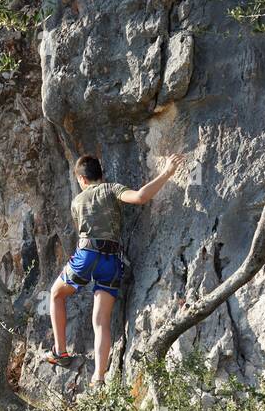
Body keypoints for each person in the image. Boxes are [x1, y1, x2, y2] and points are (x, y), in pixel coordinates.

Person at [47, 152, 186, 384]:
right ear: (100, 175)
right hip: (112, 260)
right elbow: (141, 196)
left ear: (82, 179)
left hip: (87, 254)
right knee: (101, 320)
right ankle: (99, 378)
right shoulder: (112, 189)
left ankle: (60, 351)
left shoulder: (77, 202)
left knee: (56, 293)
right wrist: (167, 172)